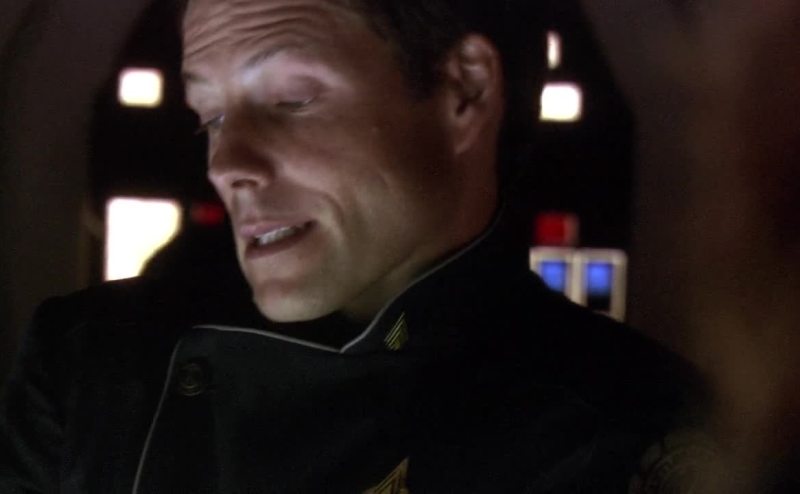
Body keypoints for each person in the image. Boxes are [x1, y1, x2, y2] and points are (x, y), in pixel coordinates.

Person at [0, 0, 707, 492]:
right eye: (209, 116)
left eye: (291, 101)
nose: (225, 163)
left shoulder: (643, 438)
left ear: (464, 89)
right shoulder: (89, 368)